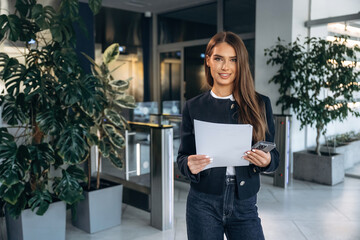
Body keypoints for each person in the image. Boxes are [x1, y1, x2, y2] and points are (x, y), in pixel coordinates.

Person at [177, 31, 279, 240]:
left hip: (245, 202)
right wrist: (189, 165)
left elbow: (274, 157)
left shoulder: (260, 104)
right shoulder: (193, 107)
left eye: (233, 60)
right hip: (202, 202)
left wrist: (267, 160)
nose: (225, 67)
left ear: (240, 63)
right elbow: (182, 157)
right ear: (208, 61)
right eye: (218, 59)